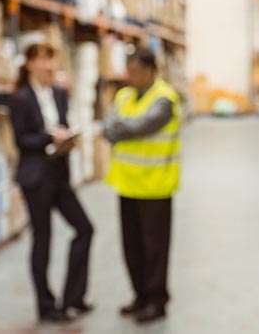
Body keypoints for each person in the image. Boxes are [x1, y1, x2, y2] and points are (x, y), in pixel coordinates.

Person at [9, 42, 94, 324]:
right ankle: (46, 307)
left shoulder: (59, 93)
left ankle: (74, 298)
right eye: (43, 60)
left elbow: (62, 124)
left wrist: (67, 139)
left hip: (59, 174)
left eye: (51, 60)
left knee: (85, 228)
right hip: (36, 178)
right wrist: (50, 138)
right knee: (42, 240)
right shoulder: (20, 98)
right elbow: (23, 140)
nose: (49, 66)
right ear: (30, 64)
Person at [102, 47, 182, 324]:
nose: (130, 77)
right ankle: (140, 296)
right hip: (126, 184)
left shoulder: (164, 99)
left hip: (155, 187)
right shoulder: (123, 95)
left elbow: (141, 127)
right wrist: (119, 127)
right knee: (132, 247)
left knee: (155, 249)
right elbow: (108, 126)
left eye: (136, 71)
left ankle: (156, 301)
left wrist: (120, 128)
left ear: (151, 71)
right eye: (128, 71)